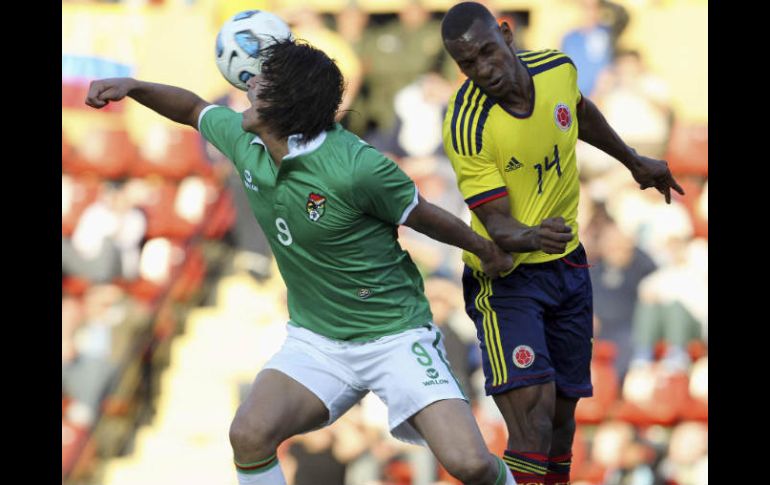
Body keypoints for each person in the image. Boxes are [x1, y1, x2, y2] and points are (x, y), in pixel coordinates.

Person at [85, 39, 517, 485]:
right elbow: (192, 108)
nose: (248, 84)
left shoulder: (356, 166)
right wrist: (133, 87)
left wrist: (487, 251)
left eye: (262, 81)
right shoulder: (243, 139)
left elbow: (425, 216)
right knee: (249, 434)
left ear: (286, 101)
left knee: (470, 464)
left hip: (394, 335)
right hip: (318, 341)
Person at [439, 3, 684, 485]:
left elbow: (578, 111)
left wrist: (632, 161)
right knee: (533, 416)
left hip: (567, 268)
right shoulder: (466, 124)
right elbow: (497, 225)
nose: (483, 69)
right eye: (468, 64)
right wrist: (532, 236)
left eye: (488, 52)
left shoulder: (556, 69)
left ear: (507, 35)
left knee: (563, 424)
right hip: (507, 278)